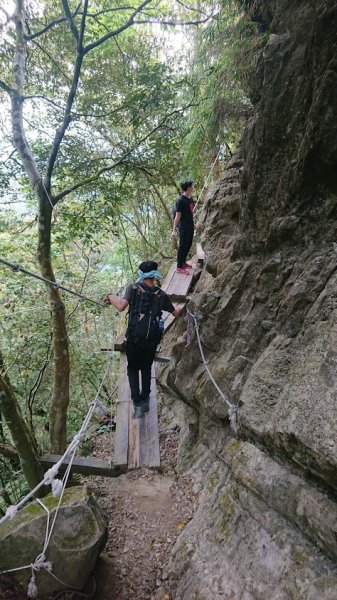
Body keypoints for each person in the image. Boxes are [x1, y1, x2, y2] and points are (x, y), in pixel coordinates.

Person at [104, 261, 181, 418]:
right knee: (146, 368)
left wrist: (110, 296)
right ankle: (145, 401)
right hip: (152, 340)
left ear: (141, 274)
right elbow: (175, 313)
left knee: (132, 369)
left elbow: (120, 306)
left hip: (134, 339)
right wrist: (182, 308)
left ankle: (137, 404)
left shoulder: (133, 288)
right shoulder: (161, 294)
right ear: (154, 275)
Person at [171, 179, 195, 274]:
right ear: (188, 188)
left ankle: (183, 262)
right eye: (192, 186)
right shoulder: (180, 200)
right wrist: (173, 230)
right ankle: (179, 267)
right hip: (183, 227)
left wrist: (193, 223)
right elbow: (177, 216)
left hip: (190, 225)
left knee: (189, 244)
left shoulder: (190, 198)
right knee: (183, 246)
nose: (193, 187)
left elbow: (190, 213)